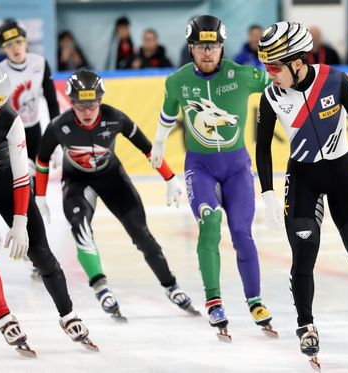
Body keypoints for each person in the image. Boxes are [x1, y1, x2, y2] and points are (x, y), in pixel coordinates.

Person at [256, 22, 348, 368]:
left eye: (274, 67)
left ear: (297, 62)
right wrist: (269, 192)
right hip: (302, 177)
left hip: (343, 174)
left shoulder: (336, 79)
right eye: (266, 67)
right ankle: (305, 326)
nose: (269, 74)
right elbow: (262, 148)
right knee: (304, 251)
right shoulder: (271, 95)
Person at [0, 61, 97, 356]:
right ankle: (5, 318)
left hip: (6, 184)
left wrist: (19, 221)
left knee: (41, 253)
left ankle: (68, 315)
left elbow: (19, 175)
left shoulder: (9, 119)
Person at [150, 15, 276, 340]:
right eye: (202, 46)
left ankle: (255, 301)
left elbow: (282, 81)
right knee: (209, 225)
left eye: (214, 46)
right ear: (191, 48)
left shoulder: (243, 75)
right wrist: (159, 144)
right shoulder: (177, 82)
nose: (208, 53)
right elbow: (167, 115)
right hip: (200, 168)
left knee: (241, 232)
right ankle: (214, 300)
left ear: (222, 47)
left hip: (237, 167)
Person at [34, 69, 195, 321]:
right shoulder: (59, 126)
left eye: (92, 105)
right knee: (80, 227)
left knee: (141, 234)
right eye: (80, 106)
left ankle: (171, 285)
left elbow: (147, 148)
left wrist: (170, 177)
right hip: (77, 182)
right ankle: (100, 287)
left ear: (100, 101)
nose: (87, 113)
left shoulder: (115, 118)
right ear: (71, 103)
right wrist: (40, 196)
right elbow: (42, 160)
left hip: (112, 179)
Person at [0, 20, 60, 188]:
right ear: (3, 48)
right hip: (13, 133)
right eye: (9, 45)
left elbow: (53, 104)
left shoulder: (40, 63)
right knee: (22, 185)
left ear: (26, 42)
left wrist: (59, 140)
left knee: (39, 184)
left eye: (18, 42)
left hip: (35, 130)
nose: (15, 48)